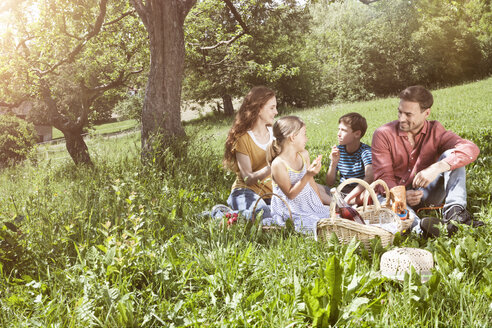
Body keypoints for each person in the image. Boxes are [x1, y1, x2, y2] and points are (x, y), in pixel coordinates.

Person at [371, 85, 483, 237]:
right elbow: (384, 177)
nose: (402, 118)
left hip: (425, 192)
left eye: (408, 114)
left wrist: (438, 167)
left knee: (452, 156)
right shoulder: (383, 134)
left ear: (426, 113)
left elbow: (470, 148)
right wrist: (401, 195)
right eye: (400, 112)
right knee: (384, 201)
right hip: (394, 195)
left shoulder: (436, 130)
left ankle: (455, 215)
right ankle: (421, 230)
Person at [266, 116, 331, 236]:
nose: (307, 138)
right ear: (293, 137)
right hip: (290, 210)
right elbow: (290, 194)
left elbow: (311, 183)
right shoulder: (279, 164)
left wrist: (320, 203)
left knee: (331, 216)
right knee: (314, 225)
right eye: (304, 134)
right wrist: (308, 175)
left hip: (308, 204)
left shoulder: (303, 154)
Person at [223, 86, 278, 220]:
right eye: (272, 108)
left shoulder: (275, 134)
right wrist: (272, 166)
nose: (276, 112)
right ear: (259, 109)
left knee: (277, 217)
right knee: (262, 214)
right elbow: (247, 179)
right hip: (245, 192)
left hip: (270, 194)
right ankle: (220, 214)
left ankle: (242, 214)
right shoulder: (243, 139)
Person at [325, 112, 373, 205]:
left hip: (357, 192)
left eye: (343, 130)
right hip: (342, 191)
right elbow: (329, 182)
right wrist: (333, 163)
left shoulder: (365, 151)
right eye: (338, 129)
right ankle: (341, 202)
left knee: (367, 195)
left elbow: (370, 177)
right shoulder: (339, 150)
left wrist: (348, 198)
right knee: (314, 186)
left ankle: (340, 203)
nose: (338, 134)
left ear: (357, 134)